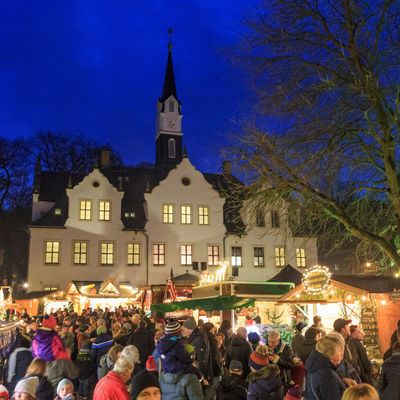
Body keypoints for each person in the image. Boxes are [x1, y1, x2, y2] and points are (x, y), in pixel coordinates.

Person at [305, 335, 346, 400]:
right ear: (332, 353)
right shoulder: (327, 374)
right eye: (340, 350)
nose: (342, 354)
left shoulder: (315, 367)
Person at [333, 318, 361, 384]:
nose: (349, 328)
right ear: (343, 330)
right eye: (347, 326)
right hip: (345, 380)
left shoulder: (349, 341)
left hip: (352, 375)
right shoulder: (336, 344)